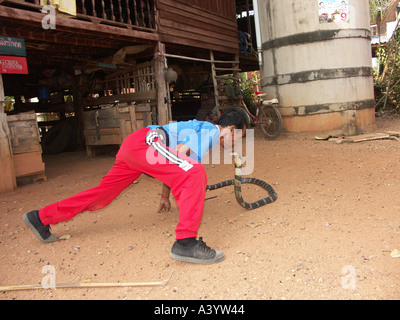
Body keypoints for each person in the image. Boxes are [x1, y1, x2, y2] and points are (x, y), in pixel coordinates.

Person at [23, 109, 245, 264]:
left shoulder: (203, 129)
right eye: (239, 137)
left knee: (101, 196)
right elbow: (180, 154)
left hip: (135, 145)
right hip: (147, 142)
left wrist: (165, 196)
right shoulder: (213, 131)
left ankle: (40, 217)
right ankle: (186, 242)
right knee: (195, 172)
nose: (236, 142)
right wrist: (186, 187)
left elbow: (173, 164)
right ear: (231, 129)